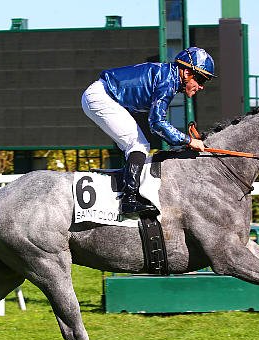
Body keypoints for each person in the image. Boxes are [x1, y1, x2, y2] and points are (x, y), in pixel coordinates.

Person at [81, 47, 217, 215]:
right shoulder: (168, 81)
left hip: (100, 95)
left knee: (137, 145)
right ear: (187, 72)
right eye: (201, 79)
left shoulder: (169, 76)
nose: (201, 87)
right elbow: (157, 123)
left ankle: (127, 193)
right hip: (101, 97)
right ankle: (128, 200)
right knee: (138, 145)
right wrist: (188, 140)